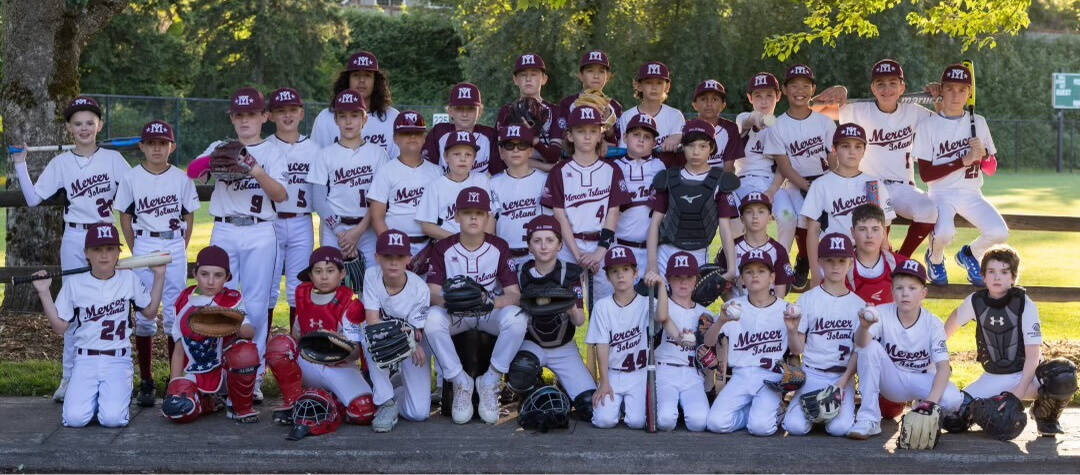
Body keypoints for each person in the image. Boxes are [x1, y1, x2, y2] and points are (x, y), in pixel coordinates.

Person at [12, 96, 132, 403]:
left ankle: (112, 371)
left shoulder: (114, 160)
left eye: (89, 123)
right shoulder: (61, 163)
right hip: (76, 239)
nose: (84, 128)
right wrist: (20, 164)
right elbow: (33, 198)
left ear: (99, 125)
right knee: (73, 307)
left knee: (107, 303)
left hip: (105, 239)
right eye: (77, 123)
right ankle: (69, 376)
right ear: (69, 128)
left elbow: (134, 193)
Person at [198, 87, 289, 402]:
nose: (245, 120)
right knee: (220, 302)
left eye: (252, 113)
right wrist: (214, 162)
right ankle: (223, 372)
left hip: (259, 230)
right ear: (232, 118)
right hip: (224, 230)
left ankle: (255, 374)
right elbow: (194, 172)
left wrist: (254, 167)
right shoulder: (220, 146)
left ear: (264, 116)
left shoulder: (274, 151)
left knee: (255, 304)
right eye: (239, 114)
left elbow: (280, 195)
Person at [31, 223, 165, 427]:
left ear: (118, 253)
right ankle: (98, 399)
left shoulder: (128, 278)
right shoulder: (75, 284)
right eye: (97, 249)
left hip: (118, 360)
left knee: (112, 420)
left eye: (110, 249)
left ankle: (108, 399)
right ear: (86, 254)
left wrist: (159, 275)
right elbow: (60, 328)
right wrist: (44, 292)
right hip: (85, 360)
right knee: (75, 419)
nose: (104, 255)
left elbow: (150, 312)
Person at [811, 59, 939, 258]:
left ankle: (902, 259)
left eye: (892, 83)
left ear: (902, 87)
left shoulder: (914, 111)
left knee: (929, 209)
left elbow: (945, 119)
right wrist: (838, 91)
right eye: (880, 83)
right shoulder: (858, 109)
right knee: (877, 232)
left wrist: (939, 95)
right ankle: (882, 266)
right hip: (870, 185)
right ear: (872, 88)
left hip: (903, 185)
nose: (886, 89)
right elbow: (813, 108)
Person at [943, 245, 1076, 437]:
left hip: (1028, 377)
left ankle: (1045, 416)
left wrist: (1018, 393)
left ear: (1013, 277)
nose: (997, 277)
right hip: (994, 377)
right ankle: (988, 408)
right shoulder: (975, 302)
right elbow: (948, 328)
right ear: (983, 276)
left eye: (1004, 272)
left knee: (1063, 374)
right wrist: (934, 357)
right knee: (954, 421)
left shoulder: (1024, 304)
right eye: (991, 271)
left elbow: (1033, 354)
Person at [115, 120, 199, 407]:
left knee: (175, 313)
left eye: (162, 143)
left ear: (171, 147)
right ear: (142, 147)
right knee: (144, 314)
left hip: (172, 241)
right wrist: (135, 247)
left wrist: (181, 245)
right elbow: (125, 216)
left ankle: (175, 378)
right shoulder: (131, 177)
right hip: (145, 242)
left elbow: (189, 215)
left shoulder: (181, 177)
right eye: (151, 143)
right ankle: (147, 380)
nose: (156, 148)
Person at [424, 187, 526, 424]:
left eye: (479, 213)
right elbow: (432, 292)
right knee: (431, 319)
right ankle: (460, 380)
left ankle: (490, 380)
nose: (473, 217)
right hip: (456, 314)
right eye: (467, 212)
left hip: (487, 313)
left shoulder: (499, 246)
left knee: (517, 318)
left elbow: (514, 294)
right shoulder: (442, 247)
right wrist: (451, 301)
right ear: (456, 216)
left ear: (487, 217)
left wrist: (490, 302)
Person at [848, 259, 965, 440]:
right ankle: (868, 419)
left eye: (912, 288)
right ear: (892, 291)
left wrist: (930, 404)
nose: (905, 294)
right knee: (870, 348)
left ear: (923, 293)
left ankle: (921, 408)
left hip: (921, 379)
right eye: (900, 288)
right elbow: (861, 346)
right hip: (891, 380)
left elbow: (943, 368)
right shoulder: (881, 313)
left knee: (953, 400)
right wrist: (863, 327)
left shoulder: (933, 323)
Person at [915, 63, 1007, 288]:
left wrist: (983, 156)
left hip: (971, 192)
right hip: (940, 194)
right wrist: (962, 161)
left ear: (969, 93)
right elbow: (926, 175)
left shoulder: (979, 122)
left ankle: (969, 254)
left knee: (999, 232)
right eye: (950, 88)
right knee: (945, 232)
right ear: (942, 90)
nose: (956, 95)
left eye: (962, 89)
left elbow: (991, 168)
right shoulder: (928, 125)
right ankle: (934, 258)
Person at [265, 247, 375, 429]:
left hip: (339, 365)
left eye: (330, 271)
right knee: (281, 345)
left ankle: (327, 401)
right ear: (310, 275)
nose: (324, 277)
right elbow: (295, 338)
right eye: (318, 271)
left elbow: (355, 353)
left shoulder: (350, 304)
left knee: (363, 412)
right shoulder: (304, 296)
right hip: (309, 363)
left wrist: (337, 346)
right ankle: (294, 401)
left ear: (342, 274)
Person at [703, 250, 801, 436]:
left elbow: (797, 350)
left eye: (761, 271)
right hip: (741, 376)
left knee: (761, 429)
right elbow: (708, 342)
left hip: (770, 377)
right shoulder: (733, 307)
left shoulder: (785, 309)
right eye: (749, 271)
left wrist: (791, 330)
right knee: (715, 423)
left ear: (772, 277)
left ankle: (771, 413)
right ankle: (757, 413)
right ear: (741, 280)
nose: (755, 275)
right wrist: (721, 321)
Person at [508, 216, 596, 421]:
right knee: (523, 369)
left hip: (563, 347)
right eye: (537, 241)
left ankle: (564, 386)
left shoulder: (569, 272)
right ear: (529, 246)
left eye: (550, 240)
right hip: (532, 344)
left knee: (590, 408)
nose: (543, 246)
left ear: (560, 245)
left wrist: (566, 304)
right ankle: (532, 389)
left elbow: (580, 320)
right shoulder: (521, 273)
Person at [163, 246, 260, 424]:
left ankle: (238, 405)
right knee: (177, 409)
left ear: (227, 277)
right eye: (204, 274)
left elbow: (249, 332)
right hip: (196, 370)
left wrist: (230, 322)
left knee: (246, 351)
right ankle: (207, 403)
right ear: (195, 273)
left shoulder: (231, 298)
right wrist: (174, 385)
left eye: (218, 275)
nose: (210, 281)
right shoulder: (185, 299)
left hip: (225, 371)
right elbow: (179, 349)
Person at [541, 106, 629, 300]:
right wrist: (578, 254)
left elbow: (613, 213)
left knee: (606, 307)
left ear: (600, 135)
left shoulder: (611, 170)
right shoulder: (559, 171)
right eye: (581, 131)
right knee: (567, 310)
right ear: (570, 136)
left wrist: (599, 253)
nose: (587, 136)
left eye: (593, 131)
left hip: (602, 246)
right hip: (568, 248)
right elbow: (560, 216)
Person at [782, 233, 863, 437]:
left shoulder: (858, 305)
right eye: (829, 260)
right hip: (812, 374)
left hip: (841, 376)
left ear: (851, 263)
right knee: (795, 427)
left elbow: (858, 351)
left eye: (841, 260)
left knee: (839, 429)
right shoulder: (808, 300)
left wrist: (843, 383)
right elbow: (797, 349)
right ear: (819, 262)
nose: (835, 266)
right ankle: (792, 412)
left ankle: (825, 416)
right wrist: (792, 331)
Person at [764, 64, 837, 291]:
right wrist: (807, 186)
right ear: (784, 89)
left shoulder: (824, 122)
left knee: (831, 225)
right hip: (797, 182)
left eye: (806, 85)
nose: (800, 90)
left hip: (824, 181)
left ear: (813, 89)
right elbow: (784, 167)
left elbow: (833, 158)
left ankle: (821, 265)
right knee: (803, 218)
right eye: (793, 85)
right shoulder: (777, 125)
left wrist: (830, 183)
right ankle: (803, 260)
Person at [801, 123, 894, 288]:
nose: (852, 151)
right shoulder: (821, 185)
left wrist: (886, 264)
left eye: (858, 146)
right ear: (834, 149)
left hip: (866, 261)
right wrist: (815, 272)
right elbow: (813, 231)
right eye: (845, 146)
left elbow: (883, 231)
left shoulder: (873, 184)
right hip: (833, 258)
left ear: (864, 151)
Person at [645, 119, 738, 280]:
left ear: (712, 148)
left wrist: (731, 269)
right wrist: (651, 265)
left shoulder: (720, 181)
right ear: (683, 147)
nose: (696, 152)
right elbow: (655, 223)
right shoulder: (669, 178)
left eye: (703, 146)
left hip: (699, 252)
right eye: (691, 146)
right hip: (666, 251)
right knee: (661, 303)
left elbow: (725, 228)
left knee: (690, 303)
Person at [307, 88, 390, 267]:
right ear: (335, 120)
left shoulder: (378, 154)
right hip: (334, 229)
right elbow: (318, 200)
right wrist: (339, 232)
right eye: (342, 116)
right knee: (332, 285)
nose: (348, 121)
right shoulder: (325, 154)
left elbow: (379, 200)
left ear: (364, 119)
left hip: (367, 229)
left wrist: (357, 232)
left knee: (369, 284)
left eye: (354, 115)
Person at [361, 230, 432, 431]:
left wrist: (411, 340)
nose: (393, 262)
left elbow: (416, 332)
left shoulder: (420, 289)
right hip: (391, 338)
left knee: (418, 413)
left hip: (412, 345)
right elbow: (373, 321)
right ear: (377, 258)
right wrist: (405, 334)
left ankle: (397, 389)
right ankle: (386, 401)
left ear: (408, 259)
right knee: (368, 332)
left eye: (399, 257)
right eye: (387, 257)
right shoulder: (371, 275)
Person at [587, 246, 660, 429]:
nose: (621, 275)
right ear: (608, 277)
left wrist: (661, 286)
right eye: (614, 271)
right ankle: (615, 407)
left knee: (636, 422)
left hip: (639, 373)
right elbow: (601, 345)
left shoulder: (648, 302)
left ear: (636, 273)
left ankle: (623, 408)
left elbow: (664, 318)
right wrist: (603, 382)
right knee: (604, 421)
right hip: (612, 372)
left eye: (626, 270)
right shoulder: (602, 306)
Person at [264, 87, 319, 332]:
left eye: (292, 110)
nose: (287, 116)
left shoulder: (314, 148)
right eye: (280, 111)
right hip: (271, 221)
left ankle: (297, 350)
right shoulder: (265, 147)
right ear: (271, 115)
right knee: (269, 286)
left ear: (301, 113)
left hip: (301, 220)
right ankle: (261, 350)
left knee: (299, 287)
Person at [368, 111, 442, 256]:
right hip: (396, 245)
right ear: (396, 138)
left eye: (417, 133)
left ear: (424, 138)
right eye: (406, 133)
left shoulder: (436, 172)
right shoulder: (386, 171)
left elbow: (444, 214)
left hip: (430, 245)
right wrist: (391, 248)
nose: (412, 137)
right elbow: (377, 217)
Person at [654, 252, 712, 432]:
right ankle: (671, 410)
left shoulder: (704, 313)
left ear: (696, 279)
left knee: (699, 423)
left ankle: (680, 409)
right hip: (665, 371)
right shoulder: (659, 304)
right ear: (668, 280)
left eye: (688, 277)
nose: (683, 282)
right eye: (677, 277)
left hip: (691, 375)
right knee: (665, 421)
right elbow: (661, 317)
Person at [310, 51, 399, 158]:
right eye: (356, 75)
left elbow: (398, 164)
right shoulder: (325, 118)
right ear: (347, 79)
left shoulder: (393, 118)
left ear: (376, 81)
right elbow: (314, 161)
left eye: (367, 75)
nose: (361, 80)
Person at [612, 113, 667, 275]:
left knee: (649, 299)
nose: (641, 140)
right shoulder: (615, 167)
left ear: (654, 142)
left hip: (652, 250)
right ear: (625, 137)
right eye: (636, 135)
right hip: (620, 246)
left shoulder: (659, 166)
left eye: (647, 136)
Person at [732, 72, 784, 238]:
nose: (764, 101)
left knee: (788, 217)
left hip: (771, 184)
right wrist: (758, 119)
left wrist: (771, 191)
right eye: (758, 96)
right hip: (742, 182)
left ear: (778, 96)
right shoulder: (742, 118)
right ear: (749, 98)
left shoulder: (783, 126)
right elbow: (751, 119)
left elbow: (783, 167)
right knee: (736, 221)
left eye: (769, 95)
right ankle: (735, 261)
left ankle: (780, 259)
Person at [489, 125, 549, 269]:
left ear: (530, 151)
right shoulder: (492, 183)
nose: (515, 150)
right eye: (509, 145)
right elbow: (490, 227)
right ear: (501, 152)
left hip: (538, 256)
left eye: (522, 145)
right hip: (505, 256)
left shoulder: (544, 180)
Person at [415, 131, 494, 241]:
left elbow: (490, 217)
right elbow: (427, 226)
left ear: (474, 158)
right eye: (457, 154)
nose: (463, 159)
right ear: (446, 157)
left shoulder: (482, 180)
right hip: (448, 245)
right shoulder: (435, 186)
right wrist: (460, 241)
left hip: (480, 245)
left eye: (468, 154)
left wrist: (482, 242)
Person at [715, 192, 792, 298]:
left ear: (770, 217)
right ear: (742, 219)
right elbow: (723, 289)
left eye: (761, 212)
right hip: (738, 309)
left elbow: (780, 292)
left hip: (768, 310)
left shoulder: (778, 251)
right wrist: (733, 307)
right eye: (749, 212)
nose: (755, 216)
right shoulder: (730, 248)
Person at [496, 53, 561, 166]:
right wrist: (544, 166)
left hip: (546, 180)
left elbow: (554, 156)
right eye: (523, 74)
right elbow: (502, 156)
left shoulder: (555, 111)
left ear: (544, 79)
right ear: (515, 80)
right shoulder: (506, 111)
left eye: (534, 74)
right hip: (516, 176)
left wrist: (535, 140)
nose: (528, 79)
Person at [423, 83, 501, 175]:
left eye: (471, 109)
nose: (465, 114)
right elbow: (427, 169)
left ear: (479, 112)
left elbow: (498, 173)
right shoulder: (439, 132)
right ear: (450, 111)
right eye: (459, 108)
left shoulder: (489, 135)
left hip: (477, 188)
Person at [553, 50, 623, 150]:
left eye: (601, 72)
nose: (596, 76)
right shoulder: (568, 103)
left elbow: (618, 143)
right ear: (580, 76)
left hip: (607, 161)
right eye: (590, 71)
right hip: (575, 160)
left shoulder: (614, 106)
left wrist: (608, 124)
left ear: (607, 77)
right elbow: (561, 138)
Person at [615, 61, 685, 153]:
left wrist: (678, 136)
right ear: (639, 86)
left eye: (659, 83)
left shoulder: (675, 115)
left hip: (668, 167)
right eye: (648, 82)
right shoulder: (626, 117)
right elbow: (624, 152)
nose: (654, 87)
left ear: (667, 87)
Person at [689, 79, 743, 172]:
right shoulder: (686, 128)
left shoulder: (731, 129)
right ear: (694, 105)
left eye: (714, 99)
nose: (709, 104)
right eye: (703, 99)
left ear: (723, 105)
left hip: (718, 180)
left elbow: (728, 168)